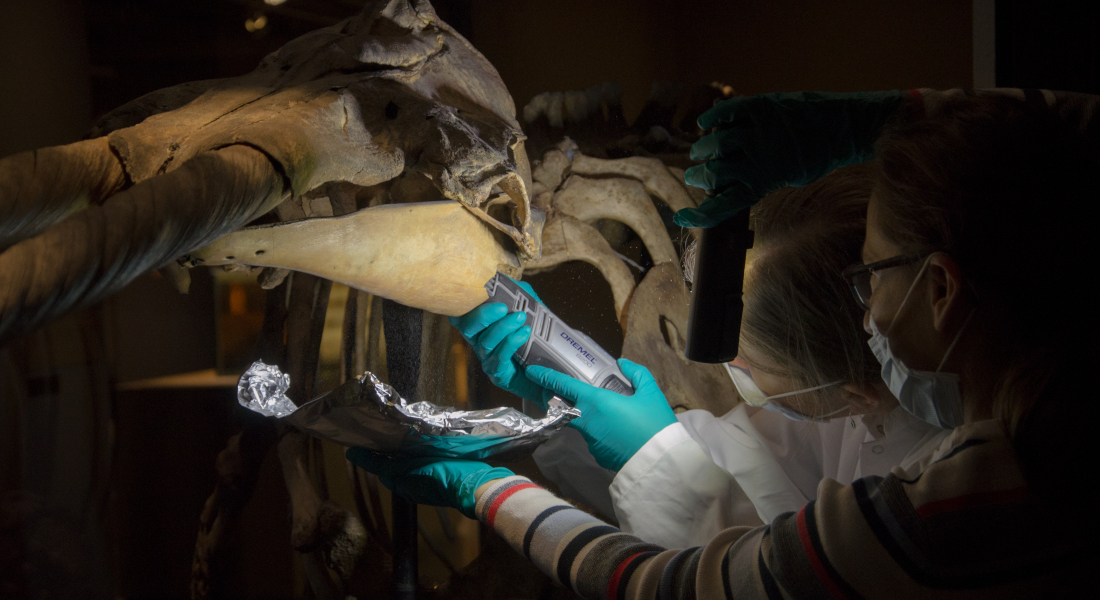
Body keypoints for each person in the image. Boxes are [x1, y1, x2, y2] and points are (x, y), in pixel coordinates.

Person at [349, 93, 1100, 597]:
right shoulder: (1034, 421)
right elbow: (763, 466)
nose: (726, 373)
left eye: (872, 278)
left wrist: (482, 489)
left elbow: (678, 583)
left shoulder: (958, 510)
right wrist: (576, 382)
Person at [531, 164, 948, 548]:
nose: (730, 366)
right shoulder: (868, 402)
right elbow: (754, 457)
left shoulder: (929, 506)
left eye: (745, 356)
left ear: (856, 395)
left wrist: (643, 454)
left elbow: (753, 571)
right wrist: (574, 391)